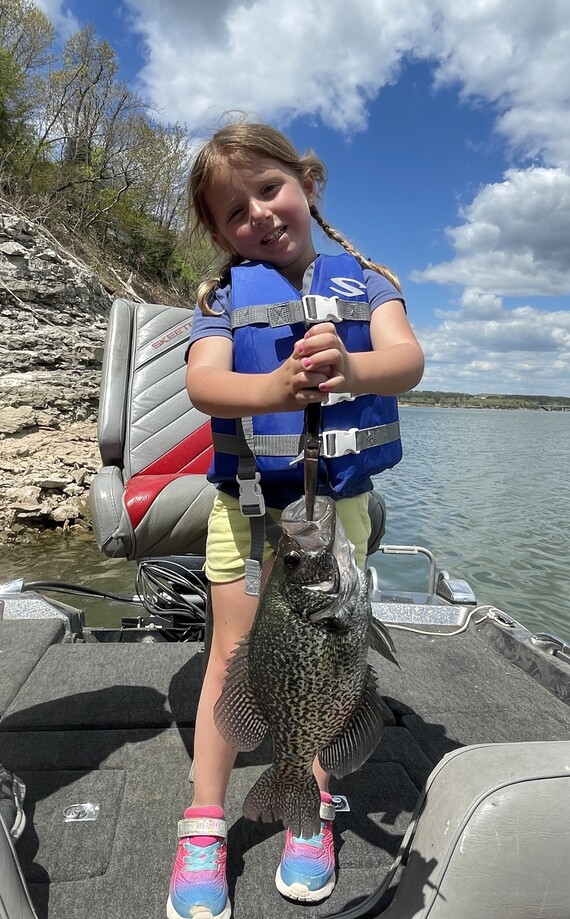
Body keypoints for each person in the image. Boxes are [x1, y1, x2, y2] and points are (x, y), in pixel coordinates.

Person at [167, 118, 424, 919]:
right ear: (219, 232)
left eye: (270, 189)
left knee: (326, 667)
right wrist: (275, 388)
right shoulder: (220, 302)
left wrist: (351, 365)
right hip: (249, 512)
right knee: (232, 657)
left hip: (333, 508)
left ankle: (306, 808)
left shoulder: (370, 284)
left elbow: (406, 361)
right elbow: (207, 384)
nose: (261, 214)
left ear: (306, 183)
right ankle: (204, 822)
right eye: (236, 211)